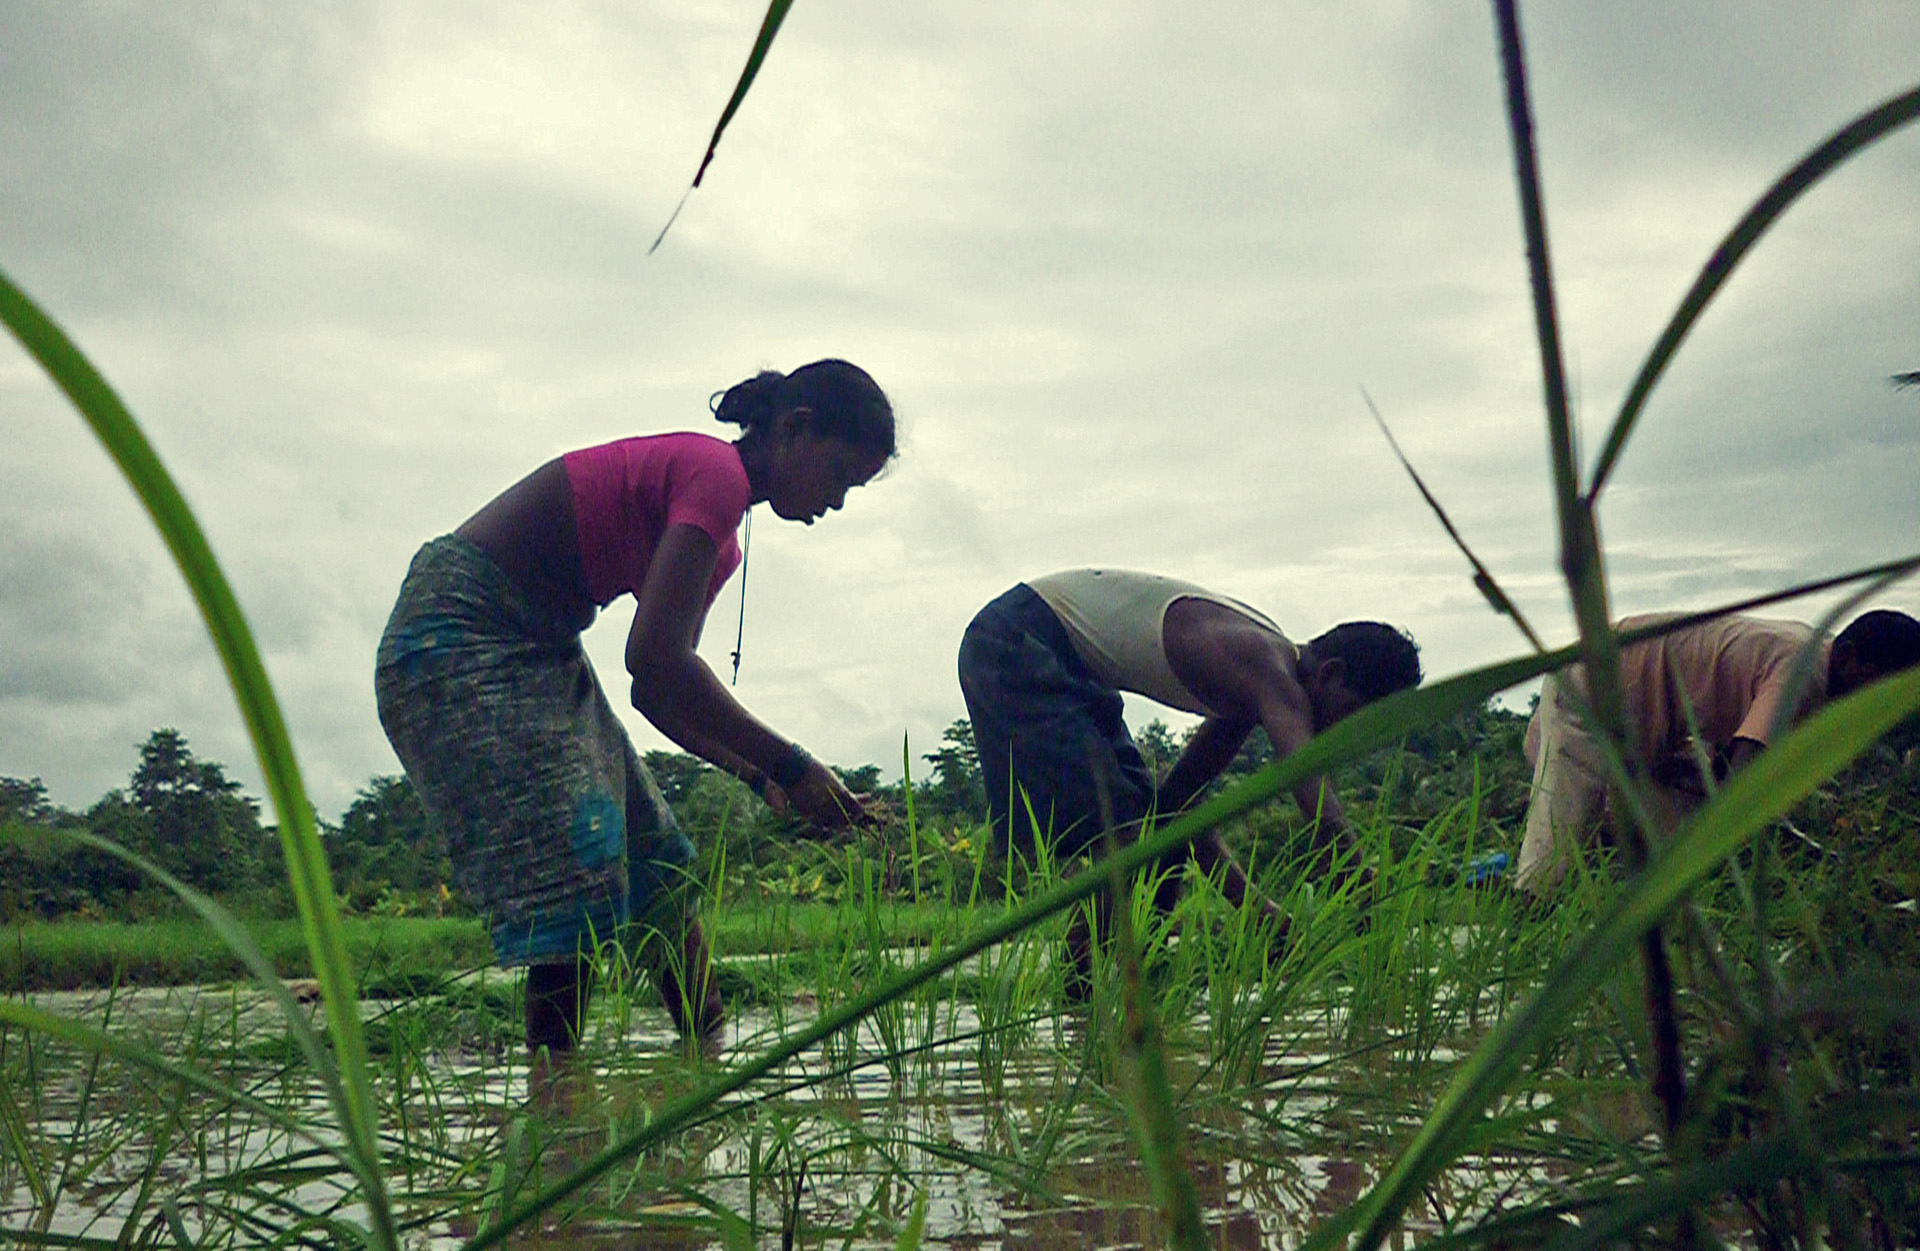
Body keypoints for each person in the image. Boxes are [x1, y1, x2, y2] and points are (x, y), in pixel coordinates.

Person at [375, 359, 894, 1055]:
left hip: (541, 646)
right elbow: (655, 659)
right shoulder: (714, 474)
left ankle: (707, 1066)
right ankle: (561, 1119)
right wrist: (792, 762)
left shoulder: (722, 545)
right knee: (578, 871)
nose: (835, 502)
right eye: (837, 475)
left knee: (661, 868)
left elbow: (659, 692)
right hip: (459, 632)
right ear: (795, 430)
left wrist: (763, 779)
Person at [957, 569, 1422, 994]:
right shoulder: (1273, 674)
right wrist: (1365, 890)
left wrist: (1259, 914)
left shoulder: (1252, 687)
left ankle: (1131, 980)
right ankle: (1076, 991)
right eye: (1353, 717)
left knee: (1156, 834)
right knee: (1125, 839)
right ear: (1329, 674)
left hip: (1063, 659)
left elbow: (1177, 810)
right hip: (1016, 640)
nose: (1344, 735)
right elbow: (1316, 802)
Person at [1515, 608, 1920, 896]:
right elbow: (1743, 774)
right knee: (1545, 877)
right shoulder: (1805, 674)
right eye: (1885, 686)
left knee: (1677, 838)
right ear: (1854, 662)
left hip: (1642, 734)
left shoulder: (1813, 654)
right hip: (1595, 693)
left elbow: (1727, 770)